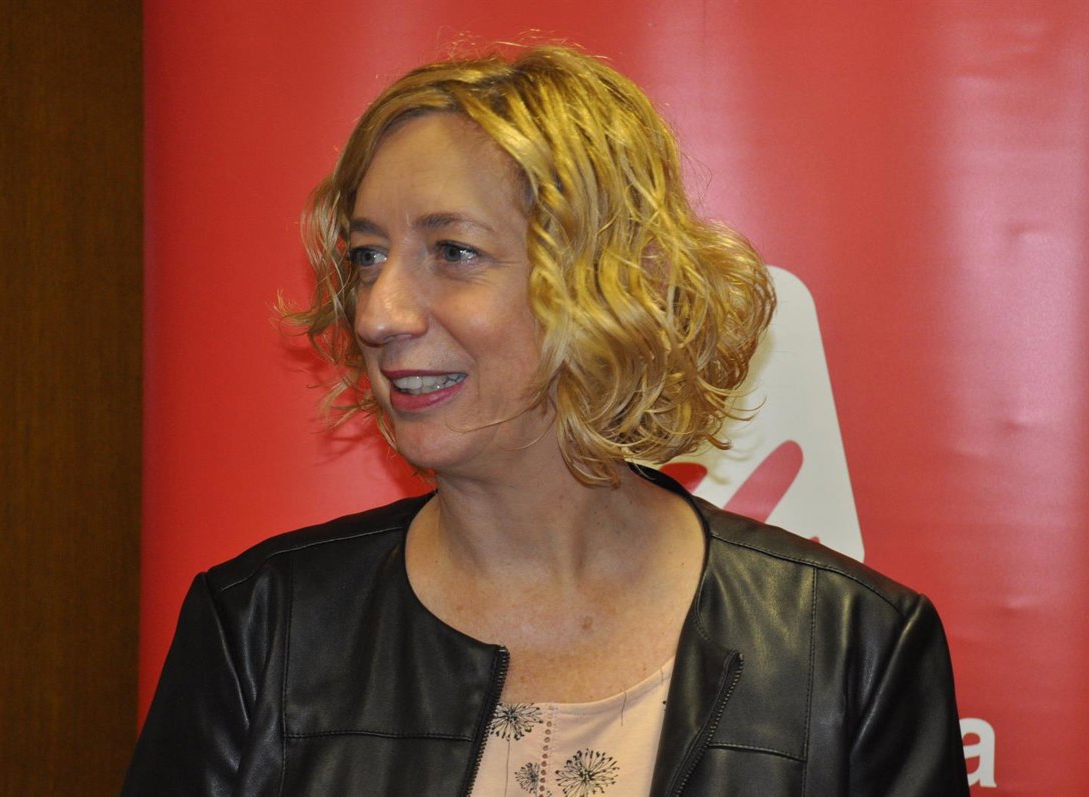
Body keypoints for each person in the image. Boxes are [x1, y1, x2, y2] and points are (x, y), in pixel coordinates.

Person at [123, 45, 969, 796]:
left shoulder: (849, 645)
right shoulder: (261, 626)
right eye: (367, 257)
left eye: (453, 252)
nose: (378, 313)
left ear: (608, 284)